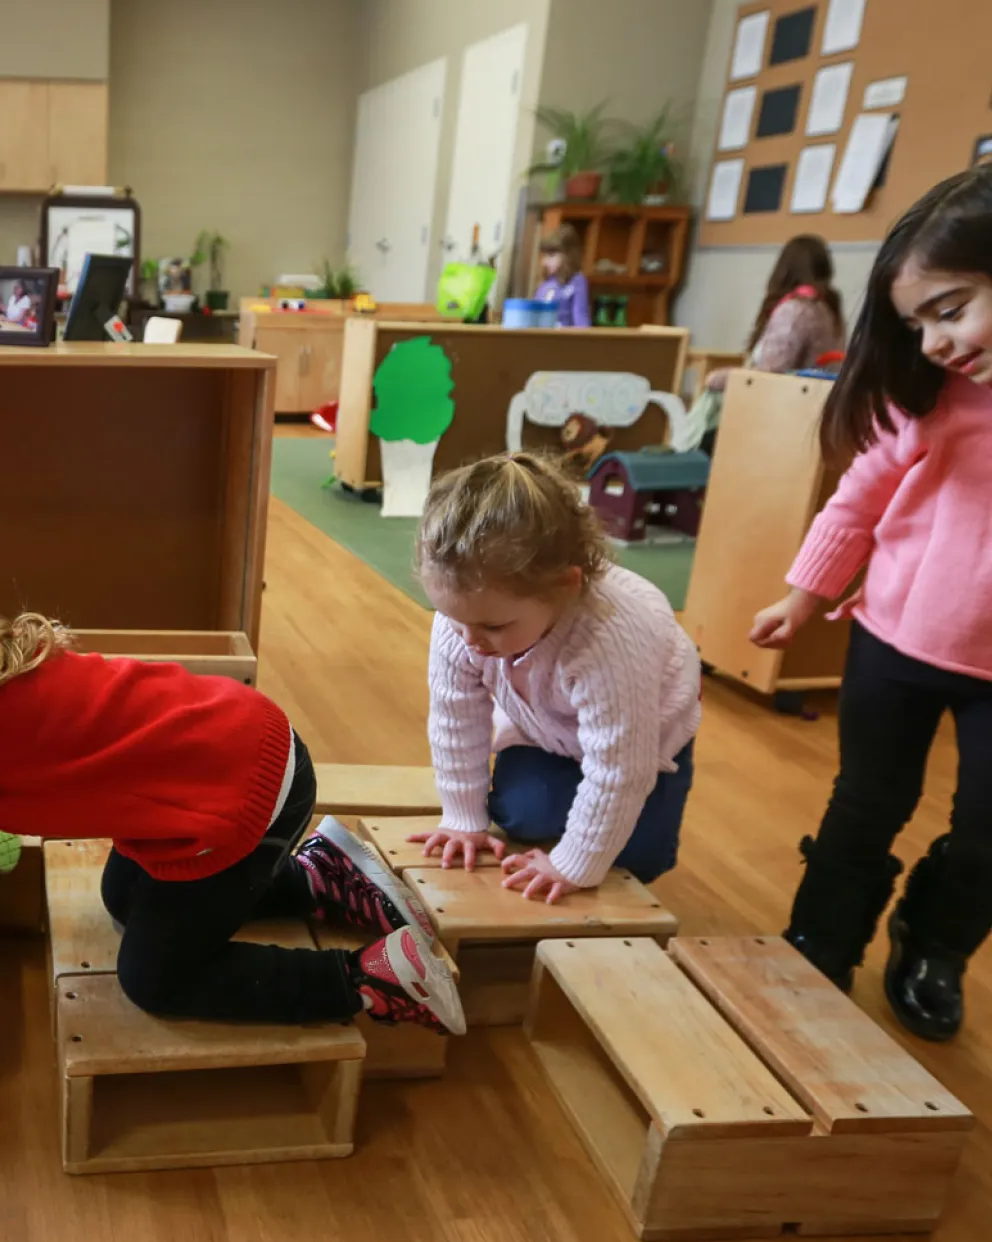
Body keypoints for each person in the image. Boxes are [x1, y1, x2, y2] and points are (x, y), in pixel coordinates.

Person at [751, 166, 992, 1042]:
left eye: (952, 308)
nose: (932, 341)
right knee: (866, 802)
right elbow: (858, 498)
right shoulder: (930, 397)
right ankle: (821, 940)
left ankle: (933, 945)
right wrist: (802, 595)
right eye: (917, 323)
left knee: (985, 835)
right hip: (897, 637)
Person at [0, 612, 464, 1034]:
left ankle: (366, 978)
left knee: (155, 979)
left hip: (242, 798)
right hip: (232, 742)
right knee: (123, 899)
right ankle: (316, 879)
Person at [410, 452, 700, 900]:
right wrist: (462, 819)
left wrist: (574, 865)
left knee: (640, 858)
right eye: (453, 619)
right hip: (547, 728)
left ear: (565, 586)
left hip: (646, 737)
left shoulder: (608, 636)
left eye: (493, 627)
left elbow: (621, 767)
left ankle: (604, 830)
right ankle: (578, 811)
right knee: (522, 815)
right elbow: (454, 717)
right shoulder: (468, 616)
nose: (470, 640)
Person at [684, 235, 846, 455]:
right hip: (811, 415)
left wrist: (718, 379)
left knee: (705, 417)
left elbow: (768, 376)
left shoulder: (795, 310)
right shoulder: (830, 310)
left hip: (778, 416)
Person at [534, 225, 591, 328]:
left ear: (568, 255)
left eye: (551, 256)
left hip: (563, 341)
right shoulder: (545, 284)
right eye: (544, 256)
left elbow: (581, 320)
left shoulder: (577, 281)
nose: (544, 262)